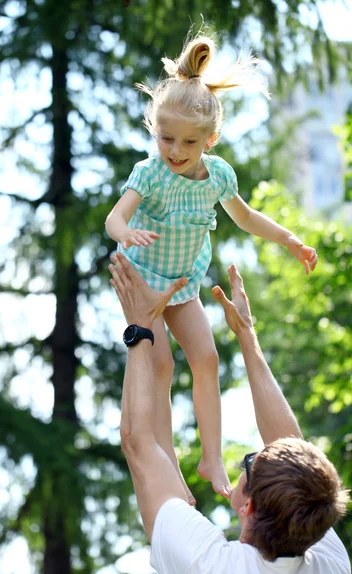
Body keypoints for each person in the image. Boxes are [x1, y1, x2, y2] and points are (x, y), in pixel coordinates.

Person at [105, 31, 318, 503]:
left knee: (207, 359)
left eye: (188, 141)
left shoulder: (218, 175)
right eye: (165, 138)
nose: (175, 150)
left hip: (183, 285)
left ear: (211, 139)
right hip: (142, 283)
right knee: (158, 366)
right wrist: (126, 233)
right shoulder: (150, 172)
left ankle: (210, 457)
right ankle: (163, 460)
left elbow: (243, 216)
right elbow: (114, 217)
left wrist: (287, 238)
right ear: (153, 131)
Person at [108, 251, 350, 574]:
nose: (256, 453)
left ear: (248, 507)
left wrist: (139, 326)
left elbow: (139, 443)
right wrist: (246, 335)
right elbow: (292, 447)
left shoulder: (210, 572)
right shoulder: (326, 570)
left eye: (251, 462)